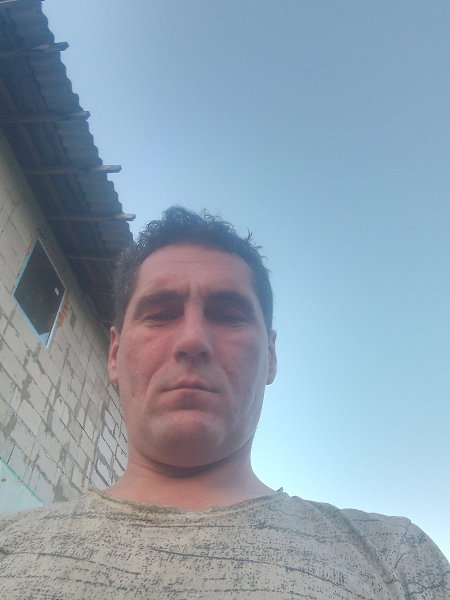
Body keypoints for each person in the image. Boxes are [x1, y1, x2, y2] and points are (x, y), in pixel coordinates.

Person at [0, 206, 448, 599]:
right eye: (160, 314)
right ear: (115, 353)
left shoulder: (396, 559)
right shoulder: (9, 547)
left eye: (229, 315)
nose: (192, 339)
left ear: (271, 356)